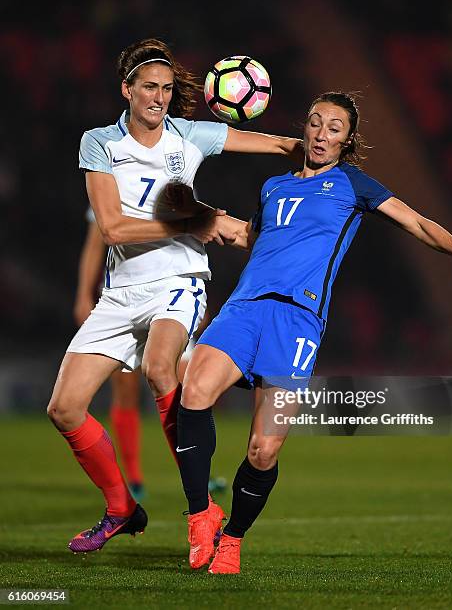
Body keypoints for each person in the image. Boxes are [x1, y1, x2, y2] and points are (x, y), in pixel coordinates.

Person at [173, 91, 452, 574]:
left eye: (334, 128)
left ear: (347, 141)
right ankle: (200, 513)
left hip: (297, 322)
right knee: (193, 391)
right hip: (244, 309)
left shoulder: (352, 184)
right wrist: (198, 218)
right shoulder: (274, 186)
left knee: (264, 448)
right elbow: (253, 240)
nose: (321, 134)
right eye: (315, 123)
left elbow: (418, 223)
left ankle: (232, 538)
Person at [46, 37, 302, 554]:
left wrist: (316, 152)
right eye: (148, 87)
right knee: (65, 408)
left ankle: (199, 509)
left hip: (179, 281)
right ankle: (121, 508)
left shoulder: (190, 135)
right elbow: (113, 229)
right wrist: (197, 219)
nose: (158, 97)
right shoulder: (99, 143)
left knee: (161, 368)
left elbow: (276, 145)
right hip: (121, 294)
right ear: (127, 89)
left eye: (165, 88)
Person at [73, 210, 220, 502]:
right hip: (124, 297)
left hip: (168, 292)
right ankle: (135, 479)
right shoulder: (111, 182)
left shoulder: (175, 172)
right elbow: (96, 242)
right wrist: (83, 295)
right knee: (125, 391)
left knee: (186, 386)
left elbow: (192, 232)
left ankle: (196, 475)